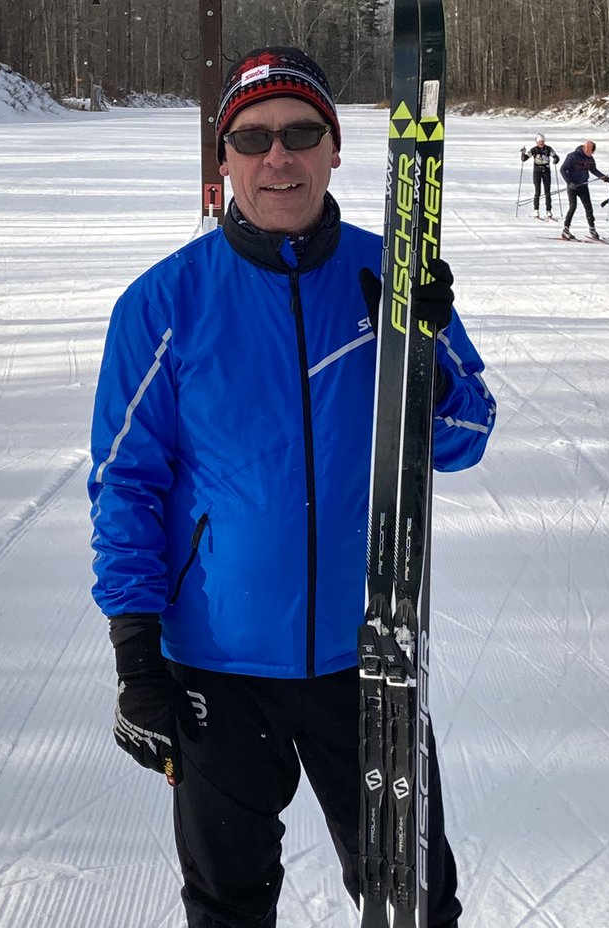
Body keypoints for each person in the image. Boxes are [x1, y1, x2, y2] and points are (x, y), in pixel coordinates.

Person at [89, 45, 497, 928]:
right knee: (229, 905)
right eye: (254, 137)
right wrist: (134, 654)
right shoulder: (164, 304)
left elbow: (465, 439)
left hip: (370, 660)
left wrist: (423, 360)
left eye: (302, 132)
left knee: (417, 902)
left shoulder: (390, 277)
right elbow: (126, 487)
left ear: (334, 147)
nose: (279, 156)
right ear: (224, 158)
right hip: (216, 669)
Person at [559, 139, 609, 240]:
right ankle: (565, 230)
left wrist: (606, 179)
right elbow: (562, 169)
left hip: (583, 186)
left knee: (588, 208)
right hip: (572, 187)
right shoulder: (572, 156)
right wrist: (569, 183)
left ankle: (592, 229)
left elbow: (594, 170)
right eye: (591, 151)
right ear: (587, 149)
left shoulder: (590, 158)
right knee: (573, 207)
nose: (592, 153)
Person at [520, 133, 560, 219]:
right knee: (537, 192)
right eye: (539, 141)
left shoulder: (548, 149)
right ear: (537, 142)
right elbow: (524, 159)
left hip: (546, 171)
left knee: (547, 192)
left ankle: (548, 211)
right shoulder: (534, 150)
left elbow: (555, 156)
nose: (541, 143)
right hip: (537, 172)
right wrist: (523, 153)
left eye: (542, 141)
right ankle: (536, 210)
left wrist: (555, 160)